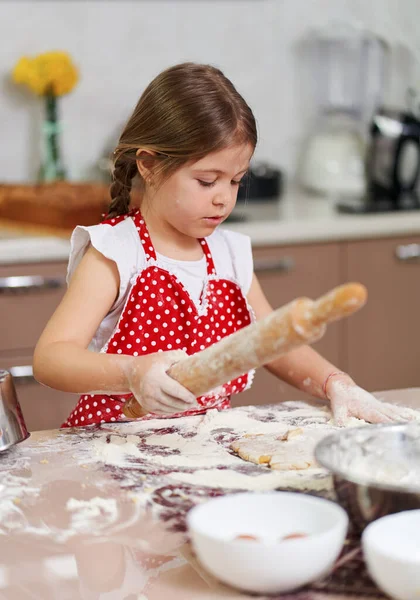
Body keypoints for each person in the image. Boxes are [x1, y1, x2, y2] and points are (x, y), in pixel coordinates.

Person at [33, 62, 414, 428]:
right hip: (114, 449)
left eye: (235, 181)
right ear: (148, 165)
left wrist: (335, 383)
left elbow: (272, 341)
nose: (223, 199)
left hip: (202, 448)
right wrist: (131, 373)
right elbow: (51, 359)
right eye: (206, 181)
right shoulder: (116, 252)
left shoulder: (229, 254)